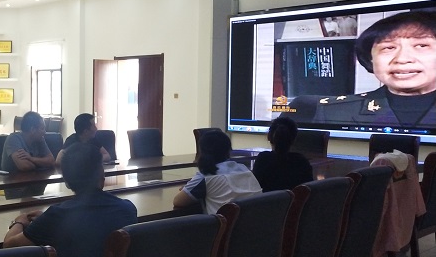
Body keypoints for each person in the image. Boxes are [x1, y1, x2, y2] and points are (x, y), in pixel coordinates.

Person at [3, 143, 137, 257]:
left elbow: (9, 245)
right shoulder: (127, 209)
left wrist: (19, 222)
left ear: (66, 181)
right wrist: (45, 221)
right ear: (101, 173)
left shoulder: (57, 216)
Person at [288, 11, 436, 128]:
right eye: (388, 48)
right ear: (371, 58)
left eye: (421, 46)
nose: (402, 59)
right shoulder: (332, 111)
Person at [173, 130, 261, 213]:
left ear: (202, 153)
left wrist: (191, 189)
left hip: (227, 223)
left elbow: (178, 201)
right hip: (254, 221)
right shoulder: (243, 169)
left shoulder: (206, 176)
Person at [252, 117, 313, 191]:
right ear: (294, 139)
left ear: (269, 137)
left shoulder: (263, 159)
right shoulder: (302, 162)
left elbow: (254, 188)